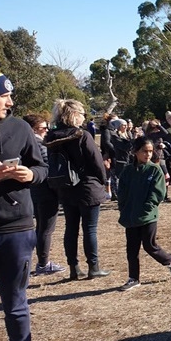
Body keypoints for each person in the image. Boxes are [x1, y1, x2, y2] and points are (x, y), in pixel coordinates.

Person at [0, 68, 48, 341]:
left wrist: (31, 175)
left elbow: (41, 166)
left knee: (14, 301)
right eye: (3, 95)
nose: (10, 102)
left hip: (15, 228)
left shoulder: (19, 129)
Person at [44, 99, 111, 280]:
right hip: (87, 186)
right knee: (90, 229)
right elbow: (96, 161)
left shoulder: (52, 136)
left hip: (64, 188)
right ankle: (93, 267)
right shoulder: (82, 135)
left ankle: (74, 268)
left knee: (70, 228)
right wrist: (103, 180)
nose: (84, 117)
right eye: (82, 114)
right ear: (74, 115)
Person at [117, 137, 171, 291]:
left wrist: (147, 208)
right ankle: (133, 278)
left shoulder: (154, 170)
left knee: (149, 245)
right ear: (135, 152)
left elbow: (158, 193)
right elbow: (122, 192)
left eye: (150, 151)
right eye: (144, 151)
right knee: (131, 248)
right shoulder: (128, 170)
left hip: (148, 216)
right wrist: (124, 208)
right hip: (130, 216)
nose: (148, 154)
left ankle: (169, 260)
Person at [22, 114, 65, 275]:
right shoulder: (38, 143)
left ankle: (31, 260)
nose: (47, 131)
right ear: (34, 129)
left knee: (40, 227)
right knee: (46, 229)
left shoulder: (24, 143)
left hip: (34, 190)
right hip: (46, 190)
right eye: (43, 128)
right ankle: (43, 263)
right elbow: (48, 166)